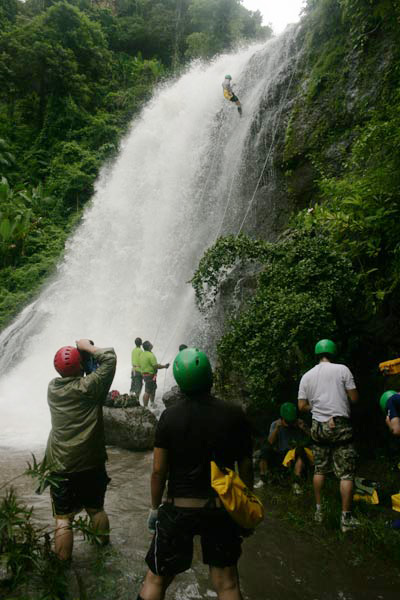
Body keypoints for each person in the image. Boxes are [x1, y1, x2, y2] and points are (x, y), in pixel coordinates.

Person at [137, 347, 253, 600]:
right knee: (228, 583)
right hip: (221, 507)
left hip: (179, 507)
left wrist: (155, 508)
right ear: (210, 377)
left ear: (179, 383)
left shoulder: (169, 417)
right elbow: (245, 465)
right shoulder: (234, 415)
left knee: (156, 579)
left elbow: (158, 471)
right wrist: (244, 506)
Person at [45, 339, 116, 560]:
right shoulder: (91, 387)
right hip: (90, 462)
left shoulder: (53, 388)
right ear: (81, 367)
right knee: (96, 509)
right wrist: (88, 347)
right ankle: (104, 552)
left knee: (64, 519)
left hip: (61, 464)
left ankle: (62, 567)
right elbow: (110, 359)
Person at [298, 339, 359, 533]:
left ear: (316, 354)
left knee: (319, 470)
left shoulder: (307, 376)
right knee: (346, 473)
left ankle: (319, 511)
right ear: (334, 352)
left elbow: (301, 406)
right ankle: (346, 519)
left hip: (318, 427)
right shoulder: (343, 370)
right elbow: (354, 398)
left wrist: (315, 406)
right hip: (340, 425)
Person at [256, 402, 311, 494]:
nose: (290, 424)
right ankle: (263, 478)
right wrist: (277, 429)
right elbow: (269, 442)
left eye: (292, 421)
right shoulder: (275, 424)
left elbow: (312, 438)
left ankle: (296, 481)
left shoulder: (300, 423)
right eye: (287, 421)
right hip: (280, 455)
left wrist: (304, 428)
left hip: (294, 455)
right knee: (265, 449)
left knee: (300, 450)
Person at [140, 340, 169, 408]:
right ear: (149, 346)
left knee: (153, 389)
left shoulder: (142, 354)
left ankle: (152, 403)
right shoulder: (151, 355)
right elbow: (155, 366)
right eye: (150, 343)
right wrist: (165, 366)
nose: (151, 344)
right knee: (147, 391)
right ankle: (145, 408)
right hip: (150, 376)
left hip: (146, 375)